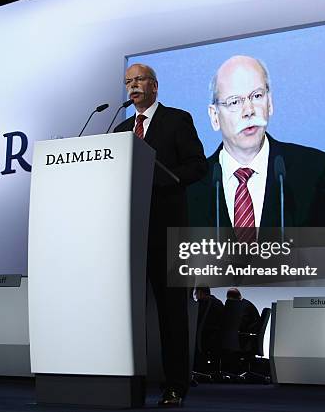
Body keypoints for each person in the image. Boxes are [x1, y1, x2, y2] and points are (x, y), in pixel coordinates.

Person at [114, 63, 207, 407]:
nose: (132, 86)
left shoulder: (177, 120)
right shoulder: (121, 130)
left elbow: (199, 166)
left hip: (166, 231)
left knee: (171, 314)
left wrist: (159, 180)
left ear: (154, 86)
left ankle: (175, 385)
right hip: (127, 235)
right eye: (128, 82)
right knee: (123, 311)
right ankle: (121, 379)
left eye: (138, 80)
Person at [188, 55, 325, 245]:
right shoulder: (189, 188)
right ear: (214, 116)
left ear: (270, 103)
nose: (249, 110)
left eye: (257, 96)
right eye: (234, 102)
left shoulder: (315, 171)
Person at [193, 287, 223, 374]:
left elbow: (198, 320)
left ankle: (196, 371)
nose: (195, 296)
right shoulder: (218, 302)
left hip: (206, 335)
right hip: (216, 336)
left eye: (196, 293)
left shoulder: (204, 302)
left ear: (200, 292)